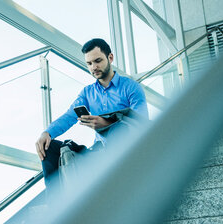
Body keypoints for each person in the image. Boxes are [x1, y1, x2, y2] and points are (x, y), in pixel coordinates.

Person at [35, 38, 148, 190]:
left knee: (118, 132)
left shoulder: (131, 88)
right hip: (98, 153)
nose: (93, 67)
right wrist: (47, 133)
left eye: (98, 61)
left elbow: (142, 123)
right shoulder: (87, 93)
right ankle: (56, 201)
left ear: (110, 58)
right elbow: (69, 116)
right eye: (89, 63)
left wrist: (107, 124)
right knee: (49, 147)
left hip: (128, 151)